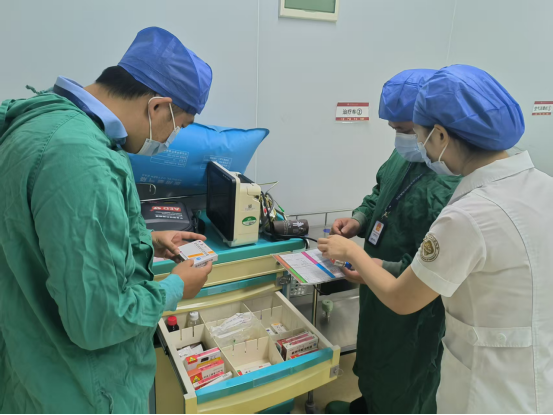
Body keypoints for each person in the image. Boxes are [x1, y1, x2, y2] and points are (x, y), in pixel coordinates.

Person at [0, 27, 213, 413]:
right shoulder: (82, 159)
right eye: (178, 126)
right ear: (158, 107)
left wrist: (147, 241)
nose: (171, 139)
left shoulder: (44, 122)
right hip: (79, 390)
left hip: (32, 367)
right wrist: (175, 287)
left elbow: (47, 239)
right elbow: (97, 321)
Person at [319, 64, 553, 414]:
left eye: (416, 133)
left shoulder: (468, 213)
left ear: (440, 135)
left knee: (409, 382)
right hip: (529, 372)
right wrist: (361, 221)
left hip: (484, 384)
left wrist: (355, 254)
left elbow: (402, 298)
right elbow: (381, 193)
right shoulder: (542, 186)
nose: (416, 145)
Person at [327, 70, 461, 415]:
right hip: (375, 287)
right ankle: (368, 404)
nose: (401, 138)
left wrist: (376, 266)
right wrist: (359, 219)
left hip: (414, 308)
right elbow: (380, 192)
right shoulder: (408, 154)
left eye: (406, 130)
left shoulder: (449, 181)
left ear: (435, 129)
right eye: (395, 130)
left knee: (404, 375)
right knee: (373, 353)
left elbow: (433, 269)